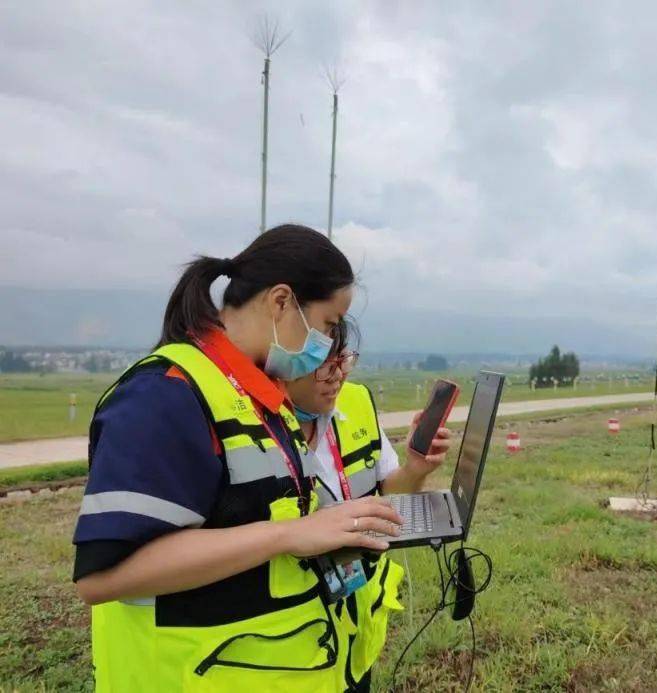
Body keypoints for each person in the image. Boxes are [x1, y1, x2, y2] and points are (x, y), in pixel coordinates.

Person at [72, 224, 403, 692]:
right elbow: (104, 576)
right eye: (328, 325)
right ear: (282, 301)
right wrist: (290, 534)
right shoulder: (167, 394)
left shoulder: (259, 398)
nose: (330, 345)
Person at [285, 327, 452, 691]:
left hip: (354, 630)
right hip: (291, 645)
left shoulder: (356, 400)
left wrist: (415, 469)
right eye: (324, 365)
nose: (338, 376)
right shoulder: (257, 420)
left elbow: (386, 492)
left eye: (344, 361)